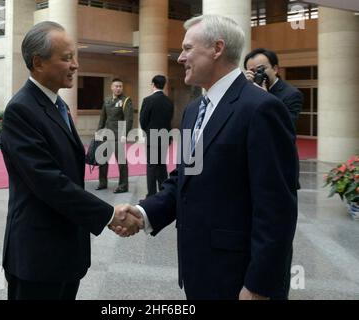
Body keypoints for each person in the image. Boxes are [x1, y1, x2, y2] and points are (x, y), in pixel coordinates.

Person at [114, 15, 299, 300]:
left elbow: (277, 209)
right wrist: (144, 213)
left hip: (239, 278)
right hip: (198, 269)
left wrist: (259, 286)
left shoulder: (262, 109)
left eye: (188, 48)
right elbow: (183, 179)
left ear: (217, 48)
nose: (180, 58)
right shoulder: (194, 109)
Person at [0, 21, 142, 300]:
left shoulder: (57, 104)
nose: (75, 64)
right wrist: (110, 215)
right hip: (37, 256)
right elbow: (49, 182)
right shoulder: (21, 110)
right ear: (38, 63)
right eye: (67, 58)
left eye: (75, 56)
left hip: (67, 250)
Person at [244, 48, 303, 129]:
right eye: (252, 70)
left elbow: (287, 126)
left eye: (261, 69)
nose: (257, 73)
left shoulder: (291, 94)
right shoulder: (247, 91)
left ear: (275, 69)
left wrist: (265, 97)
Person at [95, 78, 134, 194]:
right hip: (107, 134)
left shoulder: (126, 100)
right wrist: (98, 131)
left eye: (120, 86)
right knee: (102, 160)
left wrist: (124, 134)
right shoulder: (107, 100)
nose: (118, 88)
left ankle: (123, 186)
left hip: (118, 135)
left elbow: (129, 119)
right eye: (116, 86)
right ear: (111, 87)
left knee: (121, 162)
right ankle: (102, 183)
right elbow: (103, 117)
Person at [140, 75, 174, 197]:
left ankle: (152, 194)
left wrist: (148, 131)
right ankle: (164, 191)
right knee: (161, 164)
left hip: (152, 136)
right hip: (165, 136)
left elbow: (143, 121)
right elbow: (169, 119)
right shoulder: (169, 101)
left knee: (152, 166)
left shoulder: (148, 100)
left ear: (153, 84)